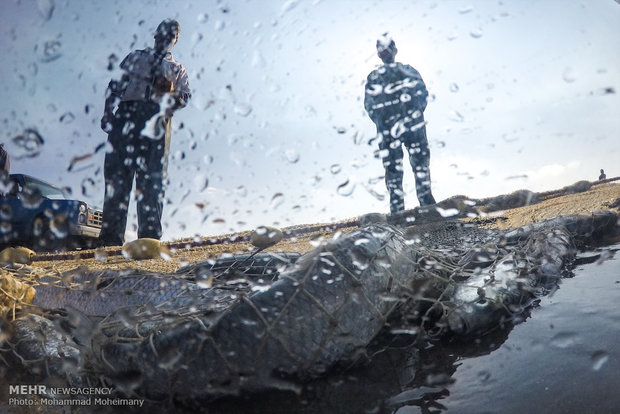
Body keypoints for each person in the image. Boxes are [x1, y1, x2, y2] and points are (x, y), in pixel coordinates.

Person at [98, 19, 191, 246]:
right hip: (127, 116)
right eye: (163, 32)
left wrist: (168, 98)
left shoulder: (177, 69)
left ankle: (149, 240)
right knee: (118, 177)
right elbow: (116, 84)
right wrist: (108, 112)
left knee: (153, 180)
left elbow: (185, 96)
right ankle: (110, 241)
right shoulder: (135, 57)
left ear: (175, 40)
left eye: (172, 35)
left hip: (158, 119)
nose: (166, 37)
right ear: (156, 34)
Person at [364, 34, 436, 214]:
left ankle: (427, 204)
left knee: (421, 164)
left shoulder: (409, 71)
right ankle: (397, 211)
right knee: (392, 169)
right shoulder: (374, 77)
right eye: (382, 49)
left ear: (395, 50)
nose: (386, 52)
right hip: (388, 130)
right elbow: (369, 104)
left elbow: (422, 94)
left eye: (389, 48)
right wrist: (383, 121)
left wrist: (414, 115)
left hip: (413, 126)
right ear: (378, 54)